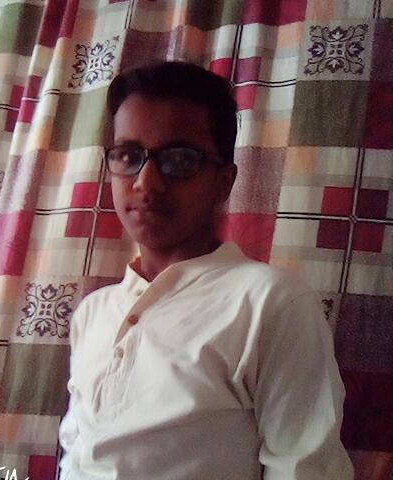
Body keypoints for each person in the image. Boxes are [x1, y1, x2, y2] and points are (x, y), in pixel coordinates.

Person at [58, 61, 354, 480]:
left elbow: (304, 470)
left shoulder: (271, 303)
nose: (146, 182)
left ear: (223, 182)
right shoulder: (93, 312)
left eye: (180, 159)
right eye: (128, 156)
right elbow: (75, 455)